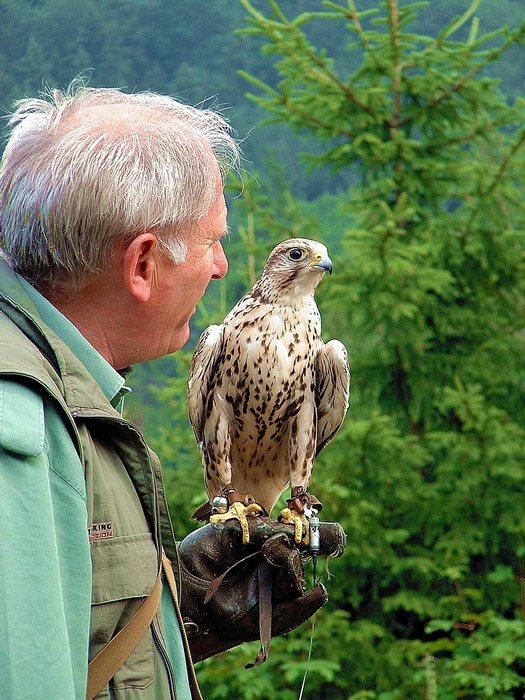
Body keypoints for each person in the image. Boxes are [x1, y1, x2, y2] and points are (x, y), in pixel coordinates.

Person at [0, 84, 331, 700]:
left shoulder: (67, 386)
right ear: (143, 265)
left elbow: (68, 639)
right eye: (214, 242)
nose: (222, 267)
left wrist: (176, 612)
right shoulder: (18, 423)